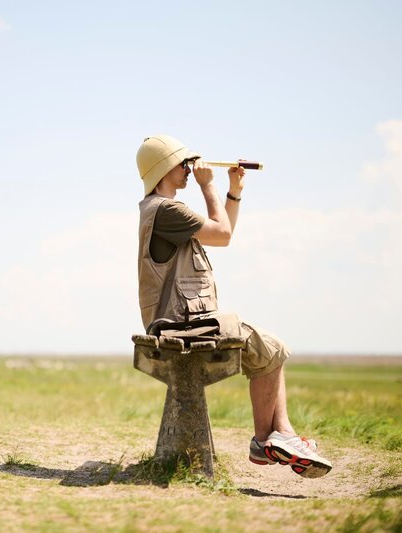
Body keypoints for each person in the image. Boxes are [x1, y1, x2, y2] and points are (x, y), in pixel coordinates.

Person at [135, 134, 332, 478]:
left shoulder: (164, 211)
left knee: (272, 349)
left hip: (185, 320)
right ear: (164, 168)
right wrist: (208, 186)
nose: (189, 170)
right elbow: (222, 234)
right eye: (184, 164)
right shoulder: (166, 210)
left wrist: (233, 191)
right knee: (272, 348)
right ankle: (266, 439)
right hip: (181, 322)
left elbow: (222, 233)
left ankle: (280, 433)